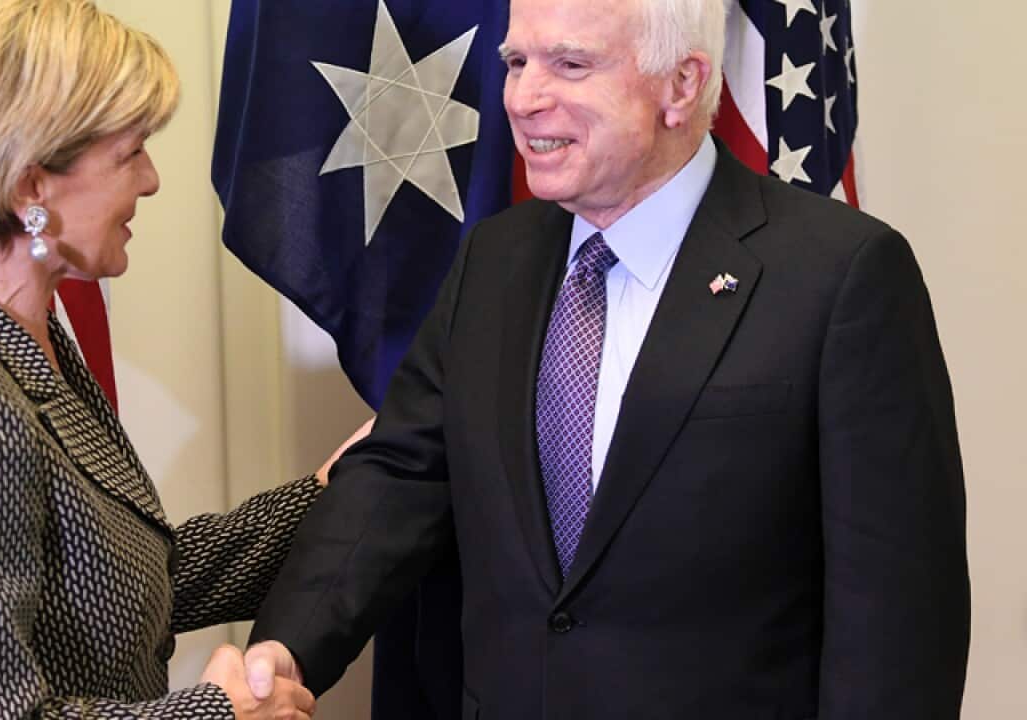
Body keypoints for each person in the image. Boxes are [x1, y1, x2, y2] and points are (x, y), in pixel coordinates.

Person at [243, 0, 971, 717]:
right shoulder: (493, 261)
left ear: (681, 85)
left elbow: (898, 611)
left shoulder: (840, 276)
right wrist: (287, 648)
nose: (525, 99)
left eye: (570, 64)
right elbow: (400, 476)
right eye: (517, 62)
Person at [0, 1, 369, 717]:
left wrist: (326, 492)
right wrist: (218, 714)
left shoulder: (19, 331)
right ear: (30, 186)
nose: (151, 180)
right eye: (130, 154)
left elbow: (131, 584)